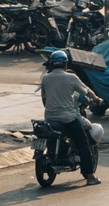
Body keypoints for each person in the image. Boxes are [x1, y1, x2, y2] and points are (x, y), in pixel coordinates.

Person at [38, 47, 101, 182]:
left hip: (49, 117)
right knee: (83, 144)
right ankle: (90, 177)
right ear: (65, 64)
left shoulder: (46, 78)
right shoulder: (71, 77)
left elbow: (44, 99)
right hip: (68, 118)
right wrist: (96, 99)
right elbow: (86, 91)